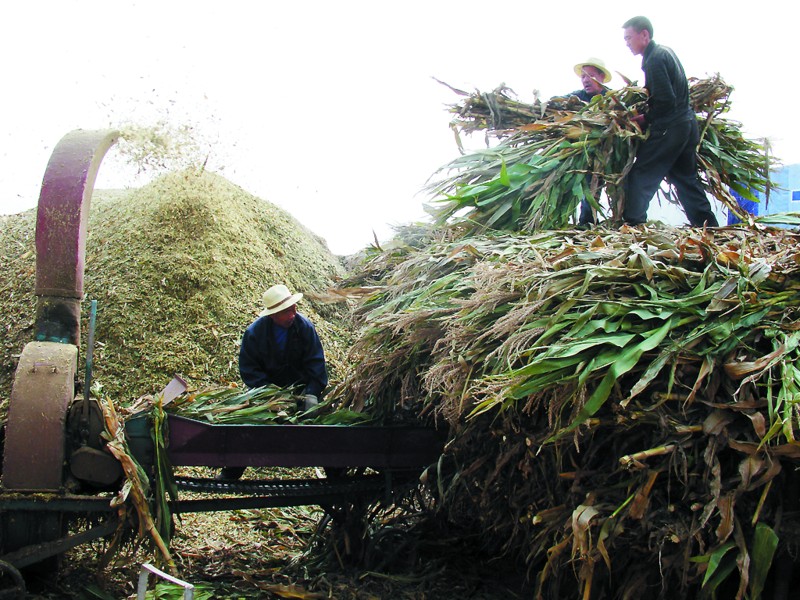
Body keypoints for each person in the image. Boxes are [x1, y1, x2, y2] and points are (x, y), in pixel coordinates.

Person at [219, 283, 328, 480]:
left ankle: (336, 476)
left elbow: (316, 363)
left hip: (301, 392)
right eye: (286, 312)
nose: (292, 314)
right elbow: (249, 369)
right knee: (248, 426)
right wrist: (270, 394)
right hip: (267, 393)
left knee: (325, 432)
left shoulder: (304, 328)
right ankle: (231, 472)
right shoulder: (254, 333)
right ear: (272, 315)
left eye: (293, 309)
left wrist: (312, 393)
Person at [621, 16, 719, 228]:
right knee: (685, 179)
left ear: (644, 35)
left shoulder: (654, 58)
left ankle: (633, 225)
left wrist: (646, 118)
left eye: (629, 38)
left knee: (641, 174)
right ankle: (710, 227)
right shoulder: (666, 52)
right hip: (687, 124)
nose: (627, 43)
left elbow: (666, 100)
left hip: (670, 127)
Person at [568, 58, 612, 226]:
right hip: (586, 152)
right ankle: (587, 221)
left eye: (590, 75)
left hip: (610, 150)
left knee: (620, 185)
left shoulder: (612, 98)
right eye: (583, 76)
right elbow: (557, 102)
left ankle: (623, 221)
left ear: (601, 77)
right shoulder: (577, 98)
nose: (585, 80)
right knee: (588, 183)